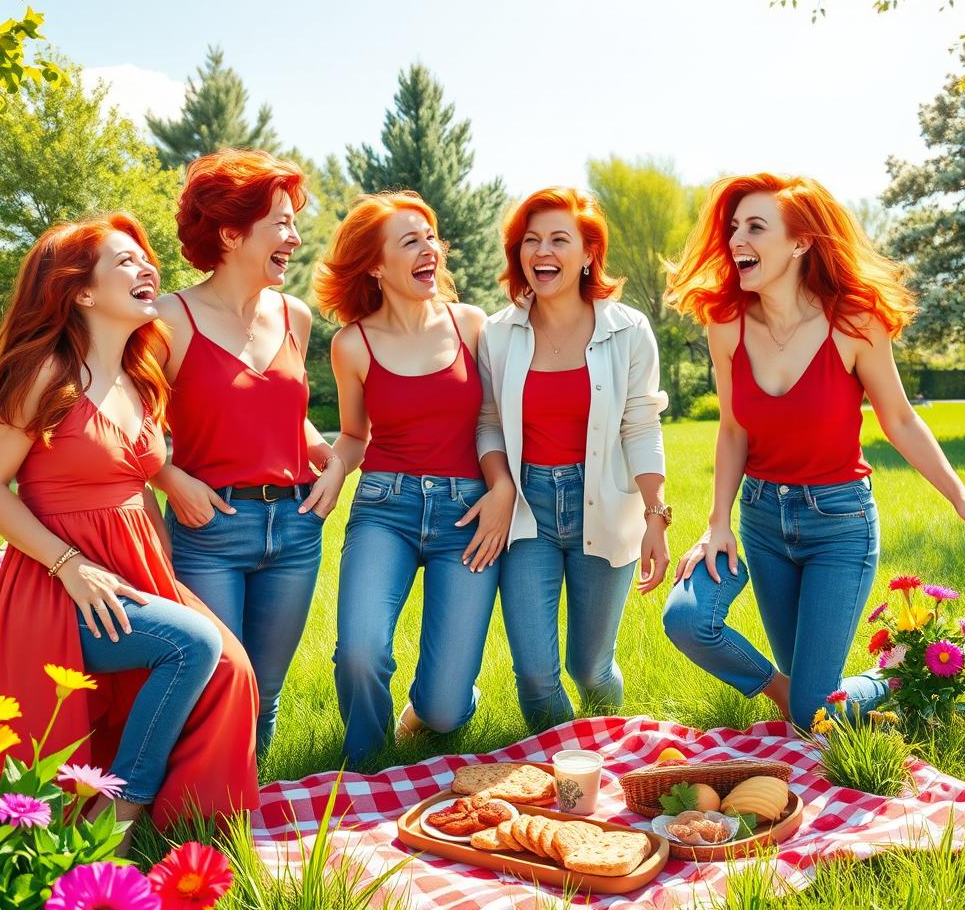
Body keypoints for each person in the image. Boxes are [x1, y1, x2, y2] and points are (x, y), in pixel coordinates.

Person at [0, 213, 259, 841]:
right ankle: (121, 812)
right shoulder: (43, 373)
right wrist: (69, 566)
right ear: (81, 291)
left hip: (134, 571)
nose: (146, 268)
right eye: (125, 261)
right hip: (58, 588)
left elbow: (139, 476)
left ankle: (186, 818)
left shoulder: (139, 375)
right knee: (194, 645)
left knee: (231, 664)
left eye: (145, 257)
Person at [661, 173, 965, 729]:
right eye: (734, 227)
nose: (736, 241)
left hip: (840, 523)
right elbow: (732, 429)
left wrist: (960, 497)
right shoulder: (726, 323)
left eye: (756, 227)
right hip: (762, 520)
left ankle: (902, 674)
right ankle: (793, 693)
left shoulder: (854, 321)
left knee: (811, 712)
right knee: (786, 690)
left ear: (801, 242)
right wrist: (717, 523)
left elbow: (899, 419)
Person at [153, 149, 347, 759]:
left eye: (293, 221)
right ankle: (188, 814)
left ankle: (245, 814)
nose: (294, 237)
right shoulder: (168, 320)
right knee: (214, 684)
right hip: (209, 527)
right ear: (232, 233)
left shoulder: (295, 314)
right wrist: (170, 478)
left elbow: (284, 413)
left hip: (295, 529)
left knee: (265, 690)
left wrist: (334, 463)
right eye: (281, 223)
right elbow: (128, 426)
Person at [314, 191, 512, 762]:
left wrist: (502, 488)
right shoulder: (352, 344)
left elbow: (493, 422)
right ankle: (365, 763)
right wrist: (334, 470)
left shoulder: (471, 325)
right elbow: (354, 435)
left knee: (446, 711)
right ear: (375, 265)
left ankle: (428, 707)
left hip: (467, 514)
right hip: (385, 509)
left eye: (431, 238)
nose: (431, 250)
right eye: (411, 241)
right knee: (359, 651)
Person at [476, 187, 670, 730]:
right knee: (536, 676)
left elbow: (640, 422)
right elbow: (488, 421)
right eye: (531, 240)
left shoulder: (628, 329)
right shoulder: (497, 332)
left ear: (588, 254)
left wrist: (656, 511)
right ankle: (564, 778)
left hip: (603, 502)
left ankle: (608, 742)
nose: (543, 251)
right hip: (526, 509)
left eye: (560, 239)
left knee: (589, 670)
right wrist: (500, 486)